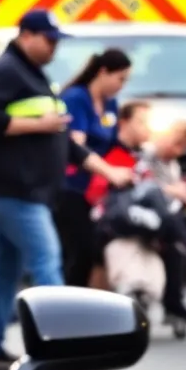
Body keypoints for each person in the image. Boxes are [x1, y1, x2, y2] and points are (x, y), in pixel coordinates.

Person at [0, 9, 134, 366]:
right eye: (49, 40)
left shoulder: (32, 73)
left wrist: (107, 171)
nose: (54, 48)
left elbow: (64, 139)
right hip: (12, 189)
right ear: (26, 35)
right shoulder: (5, 71)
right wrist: (37, 125)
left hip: (26, 189)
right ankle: (62, 341)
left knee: (6, 267)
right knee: (47, 260)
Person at [89, 104, 186, 324]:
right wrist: (171, 192)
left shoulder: (155, 159)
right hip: (113, 216)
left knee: (172, 240)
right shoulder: (127, 153)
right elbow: (132, 183)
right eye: (141, 123)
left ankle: (167, 300)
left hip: (142, 217)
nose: (147, 130)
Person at [53, 48, 132, 287]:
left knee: (92, 250)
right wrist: (108, 170)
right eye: (120, 79)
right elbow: (76, 147)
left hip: (97, 189)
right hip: (72, 187)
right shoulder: (76, 98)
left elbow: (115, 141)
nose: (122, 85)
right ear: (103, 72)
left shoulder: (110, 104)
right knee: (78, 250)